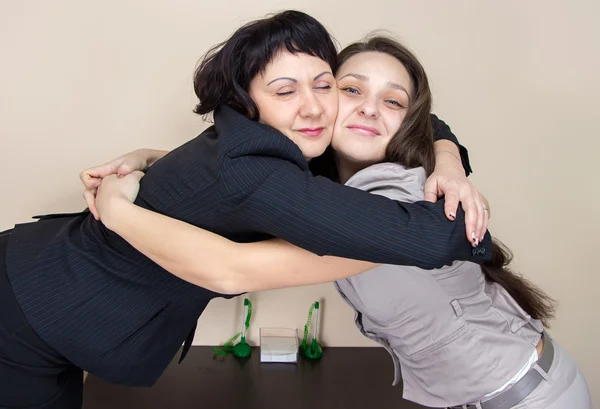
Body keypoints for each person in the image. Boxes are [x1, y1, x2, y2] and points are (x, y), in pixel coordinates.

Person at [1, 10, 489, 409]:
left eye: (324, 86)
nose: (315, 108)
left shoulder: (247, 138)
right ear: (247, 102)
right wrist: (116, 209)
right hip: (22, 316)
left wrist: (449, 165)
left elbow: (424, 117)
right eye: (284, 91)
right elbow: (443, 237)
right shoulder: (261, 176)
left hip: (44, 297)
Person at [90, 36, 591, 408]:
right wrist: (147, 158)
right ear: (322, 96)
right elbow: (240, 175)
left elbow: (230, 268)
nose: (370, 109)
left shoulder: (393, 202)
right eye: (351, 90)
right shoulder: (322, 187)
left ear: (407, 121)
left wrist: (116, 211)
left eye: (393, 101)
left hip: (530, 396)